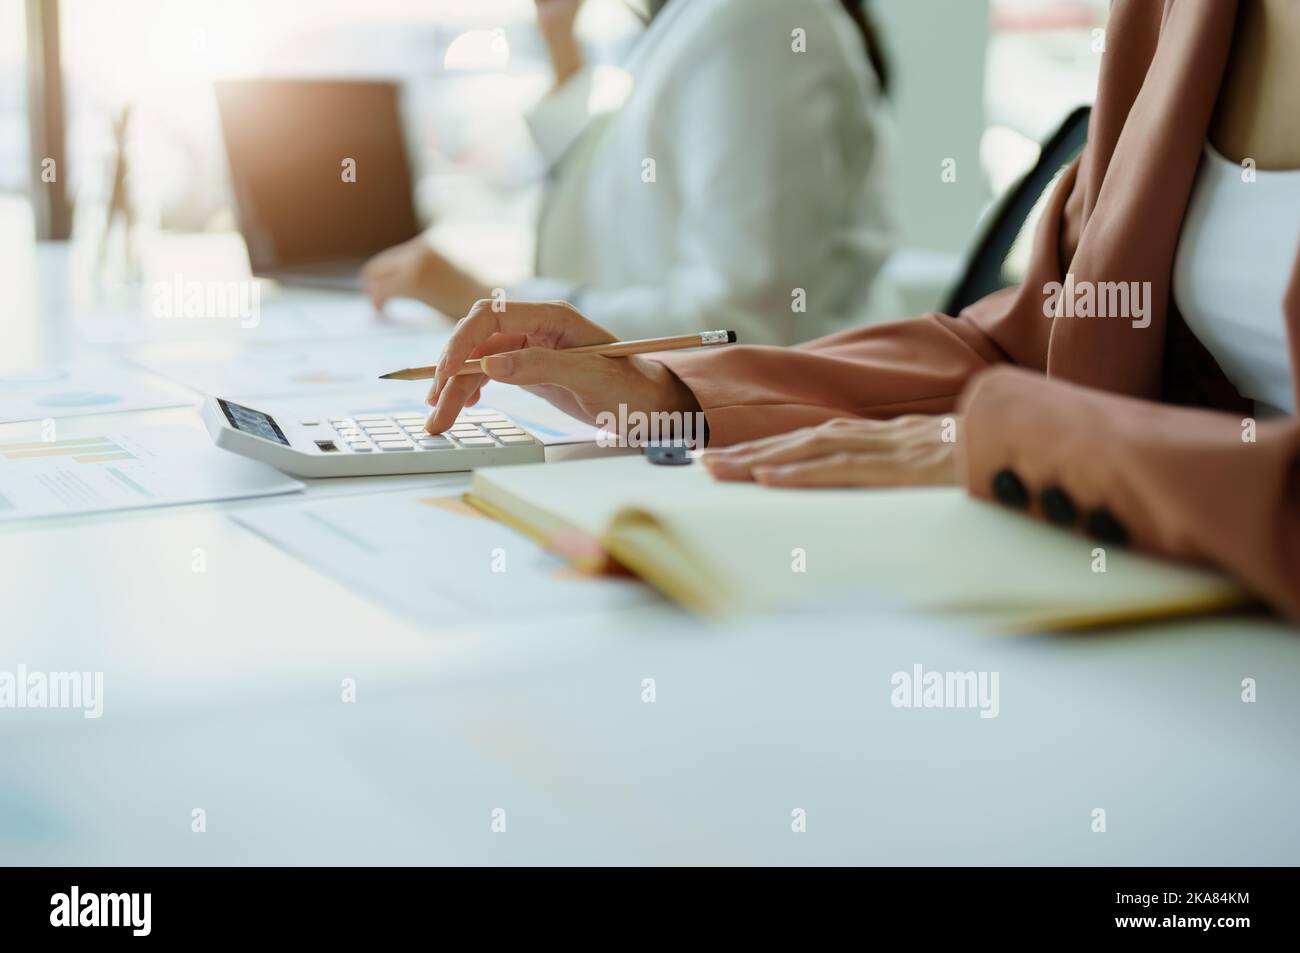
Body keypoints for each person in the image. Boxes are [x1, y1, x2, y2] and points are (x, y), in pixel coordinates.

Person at [422, 0, 1300, 622]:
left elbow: (1025, 405)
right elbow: (1036, 346)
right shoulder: (1174, 16)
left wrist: (1018, 438)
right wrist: (672, 391)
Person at [361, 0, 900, 345]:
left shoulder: (757, 20)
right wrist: (562, 52)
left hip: (748, 434)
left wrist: (494, 300)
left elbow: (736, 324)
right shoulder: (696, 20)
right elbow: (624, 181)